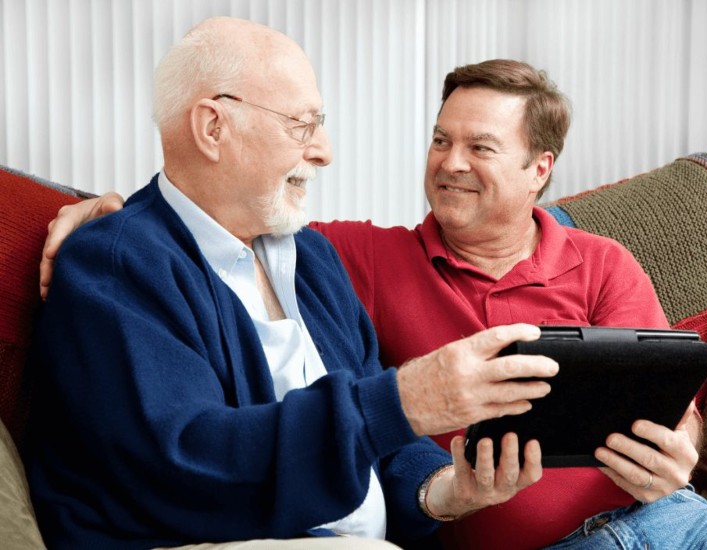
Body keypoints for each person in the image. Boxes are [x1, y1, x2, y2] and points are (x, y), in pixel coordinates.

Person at [39, 54, 707, 549]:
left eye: (480, 148)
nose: (450, 165)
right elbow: (223, 217)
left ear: (540, 169)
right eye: (441, 141)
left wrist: (679, 451)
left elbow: (673, 399)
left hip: (669, 521)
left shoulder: (601, 260)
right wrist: (107, 209)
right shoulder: (356, 258)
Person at [23, 18, 565, 550]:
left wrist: (445, 490)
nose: (324, 150)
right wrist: (404, 401)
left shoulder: (310, 257)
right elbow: (188, 465)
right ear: (213, 128)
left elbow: (377, 448)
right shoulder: (114, 266)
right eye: (302, 125)